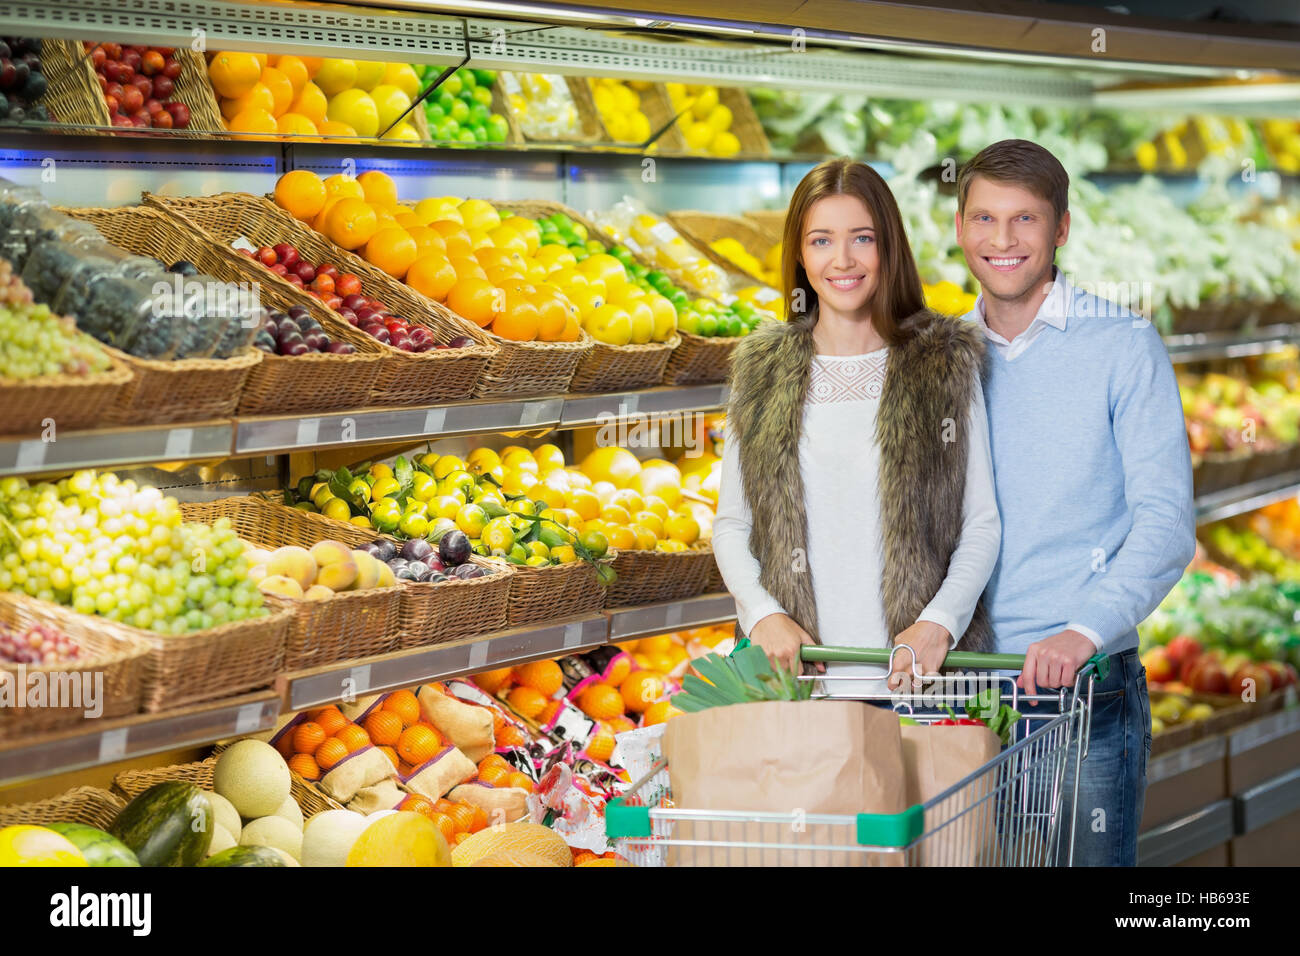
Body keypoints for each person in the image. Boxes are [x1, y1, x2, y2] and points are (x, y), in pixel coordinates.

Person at [954, 139, 1196, 866]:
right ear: (960, 226)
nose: (1002, 241)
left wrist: (1082, 630)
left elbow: (1166, 524)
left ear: (1061, 229)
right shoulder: (940, 354)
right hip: (957, 695)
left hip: (1082, 696)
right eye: (984, 219)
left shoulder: (1123, 345)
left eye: (1024, 220)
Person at [713, 157, 1001, 695]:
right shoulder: (762, 369)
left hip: (922, 687)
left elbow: (980, 522)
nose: (841, 260)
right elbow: (732, 524)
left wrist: (938, 623)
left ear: (888, 245)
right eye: (820, 241)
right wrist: (762, 615)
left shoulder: (943, 362)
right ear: (799, 254)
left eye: (861, 238)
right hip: (798, 686)